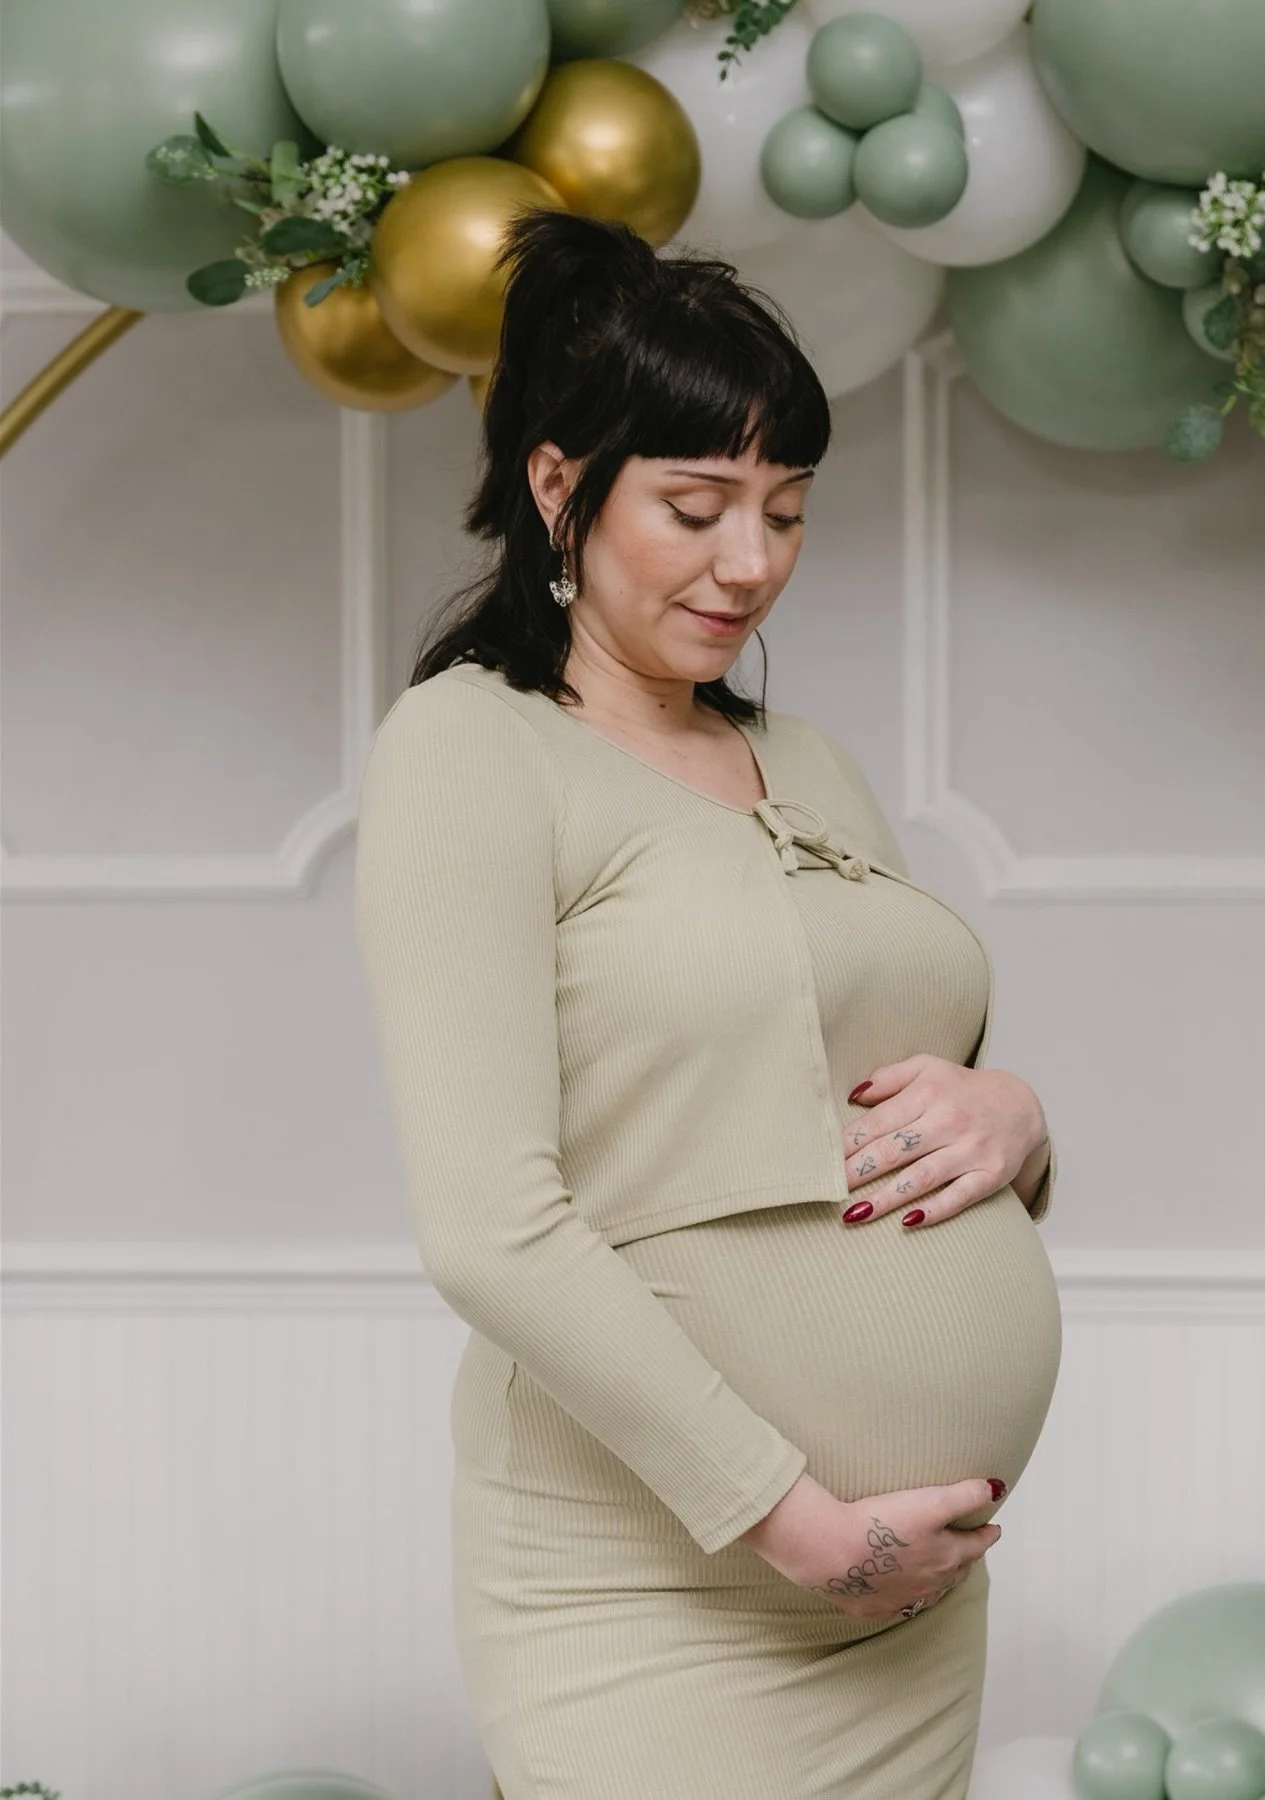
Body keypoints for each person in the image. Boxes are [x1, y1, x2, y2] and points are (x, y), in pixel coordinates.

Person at [352, 207, 1063, 1800]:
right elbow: (488, 1222)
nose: (754, 563)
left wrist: (1017, 1121)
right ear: (559, 487)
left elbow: (884, 1099)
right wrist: (799, 1523)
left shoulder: (807, 765)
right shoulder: (474, 749)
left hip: (901, 1613)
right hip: (660, 1588)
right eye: (696, 507)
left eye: (788, 512)